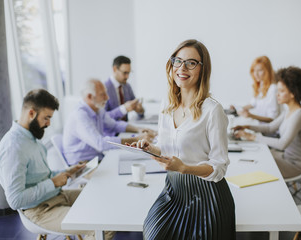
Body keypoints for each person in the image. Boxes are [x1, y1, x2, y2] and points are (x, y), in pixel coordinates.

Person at [133, 39, 236, 239]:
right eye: (177, 61)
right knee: (153, 234)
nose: (182, 67)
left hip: (207, 196)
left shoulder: (212, 111)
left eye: (191, 63)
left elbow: (219, 167)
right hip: (174, 190)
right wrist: (150, 148)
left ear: (202, 70)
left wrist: (184, 168)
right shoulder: (168, 105)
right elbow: (165, 148)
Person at [0, 89, 109, 240]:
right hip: (40, 210)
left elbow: (42, 176)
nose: (49, 123)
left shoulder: (31, 138)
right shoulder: (13, 148)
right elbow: (15, 200)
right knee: (103, 225)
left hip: (56, 196)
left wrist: (68, 171)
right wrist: (52, 183)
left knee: (103, 199)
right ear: (31, 113)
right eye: (46, 118)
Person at [233, 66, 301, 178]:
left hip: (297, 166)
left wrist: (251, 137)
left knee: (257, 164)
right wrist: (247, 126)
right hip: (287, 158)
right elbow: (270, 128)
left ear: (293, 93)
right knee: (256, 157)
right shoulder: (289, 110)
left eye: (281, 91)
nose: (277, 95)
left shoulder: (300, 115)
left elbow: (282, 144)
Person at [63, 79, 155, 165]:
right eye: (102, 94)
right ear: (90, 97)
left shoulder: (97, 108)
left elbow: (114, 125)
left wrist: (139, 129)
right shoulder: (80, 115)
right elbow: (100, 143)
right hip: (83, 165)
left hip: (97, 158)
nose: (107, 97)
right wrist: (135, 140)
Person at [232, 56, 280, 123]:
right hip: (262, 127)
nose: (256, 74)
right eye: (254, 70)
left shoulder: (273, 89)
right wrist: (237, 108)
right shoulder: (260, 85)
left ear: (267, 71)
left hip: (270, 131)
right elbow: (253, 103)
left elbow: (272, 118)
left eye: (260, 70)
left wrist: (250, 115)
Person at [104, 55, 144, 121]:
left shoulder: (127, 86)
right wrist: (123, 109)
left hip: (126, 128)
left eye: (129, 73)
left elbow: (139, 111)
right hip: (112, 130)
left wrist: (140, 110)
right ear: (114, 69)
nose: (127, 77)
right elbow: (101, 118)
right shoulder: (104, 88)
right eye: (125, 73)